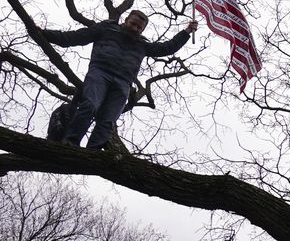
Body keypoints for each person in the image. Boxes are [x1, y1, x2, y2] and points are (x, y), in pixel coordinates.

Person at [37, 11, 197, 149]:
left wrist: (186, 32)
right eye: (133, 23)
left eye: (139, 27)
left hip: (123, 82)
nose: (135, 28)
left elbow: (166, 48)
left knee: (108, 121)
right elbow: (74, 37)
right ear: (126, 20)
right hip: (99, 73)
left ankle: (93, 152)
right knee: (90, 105)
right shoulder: (106, 29)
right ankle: (70, 143)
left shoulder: (142, 44)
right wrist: (44, 33)